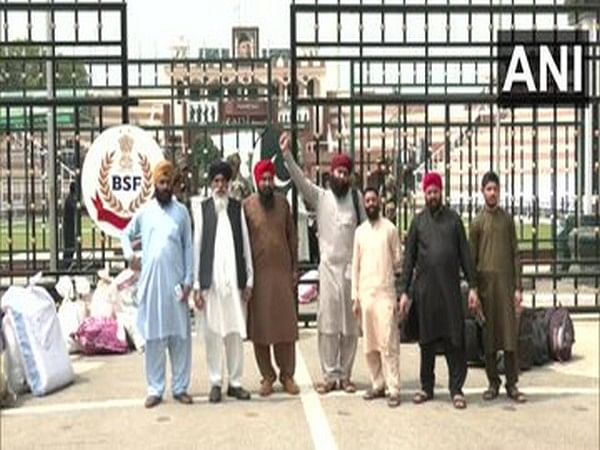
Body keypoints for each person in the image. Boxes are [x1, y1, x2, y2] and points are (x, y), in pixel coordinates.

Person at [279, 133, 365, 394]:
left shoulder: (357, 200)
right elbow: (300, 181)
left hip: (351, 270)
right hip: (328, 269)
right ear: (331, 173)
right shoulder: (321, 197)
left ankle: (345, 375)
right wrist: (287, 155)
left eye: (345, 172)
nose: (341, 176)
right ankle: (329, 375)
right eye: (338, 171)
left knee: (350, 326)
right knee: (328, 324)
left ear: (349, 176)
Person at [399, 171, 479, 410]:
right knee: (427, 343)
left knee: (455, 342)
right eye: (428, 191)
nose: (432, 195)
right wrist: (405, 292)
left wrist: (473, 287)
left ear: (441, 192)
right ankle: (427, 387)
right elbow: (409, 260)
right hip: (425, 293)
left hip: (450, 292)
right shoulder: (417, 222)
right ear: (424, 194)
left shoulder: (454, 221)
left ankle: (456, 389)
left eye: (435, 191)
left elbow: (465, 255)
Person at [121, 160, 194, 409]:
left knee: (180, 338)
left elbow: (188, 246)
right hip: (152, 284)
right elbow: (125, 234)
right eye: (160, 183)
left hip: (176, 284)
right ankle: (154, 389)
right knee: (154, 338)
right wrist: (130, 256)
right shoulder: (146, 212)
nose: (164, 187)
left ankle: (181, 387)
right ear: (154, 184)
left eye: (168, 183)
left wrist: (189, 280)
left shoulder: (181, 212)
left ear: (173, 185)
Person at [192, 160, 253, 403]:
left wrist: (249, 279)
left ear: (228, 184)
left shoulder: (237, 209)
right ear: (211, 184)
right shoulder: (202, 209)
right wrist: (197, 285)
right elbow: (197, 247)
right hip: (211, 284)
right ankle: (215, 381)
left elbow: (246, 244)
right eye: (216, 182)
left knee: (235, 333)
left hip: (234, 282)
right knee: (213, 334)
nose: (220, 186)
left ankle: (235, 382)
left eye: (223, 182)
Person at [243, 159, 300, 397]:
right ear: (257, 181)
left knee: (285, 327)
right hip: (258, 276)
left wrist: (295, 269)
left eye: (270, 179)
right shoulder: (247, 206)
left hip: (282, 273)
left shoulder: (283, 204)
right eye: (263, 179)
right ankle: (267, 375)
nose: (267, 183)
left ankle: (287, 374)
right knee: (261, 329)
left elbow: (292, 237)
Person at [469, 171, 526, 403]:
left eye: (495, 189)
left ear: (499, 191)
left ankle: (512, 384)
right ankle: (493, 382)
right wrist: (473, 289)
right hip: (486, 288)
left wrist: (518, 287)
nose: (492, 193)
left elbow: (515, 254)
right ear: (482, 192)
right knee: (490, 338)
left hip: (506, 287)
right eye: (488, 189)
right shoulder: (476, 223)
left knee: (510, 336)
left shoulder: (507, 220)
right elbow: (471, 259)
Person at [351, 187, 403, 407]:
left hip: (385, 293)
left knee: (388, 342)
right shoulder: (359, 232)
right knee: (370, 344)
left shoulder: (390, 229)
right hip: (366, 295)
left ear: (379, 202)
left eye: (373, 199)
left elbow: (398, 260)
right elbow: (356, 266)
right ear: (364, 204)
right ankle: (378, 384)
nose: (370, 203)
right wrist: (355, 296)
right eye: (367, 200)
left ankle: (394, 388)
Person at [63, 182, 77, 269]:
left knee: (71, 245)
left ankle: (68, 264)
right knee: (69, 245)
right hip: (68, 226)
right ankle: (66, 264)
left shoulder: (71, 198)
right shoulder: (70, 199)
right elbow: (75, 207)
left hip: (70, 225)